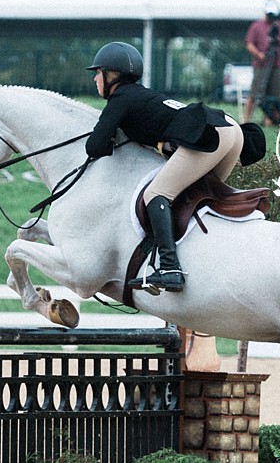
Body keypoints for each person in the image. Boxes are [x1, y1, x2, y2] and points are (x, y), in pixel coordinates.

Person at [84, 41, 244, 293]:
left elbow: (93, 146)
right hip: (231, 129)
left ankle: (170, 269)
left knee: (156, 194)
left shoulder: (120, 99)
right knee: (194, 199)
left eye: (97, 72)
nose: (95, 79)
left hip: (210, 134)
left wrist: (109, 139)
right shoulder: (142, 95)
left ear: (111, 75)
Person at [244, 1, 280, 125]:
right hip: (261, 65)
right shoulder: (257, 25)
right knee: (255, 92)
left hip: (277, 64)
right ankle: (247, 120)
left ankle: (270, 119)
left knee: (275, 94)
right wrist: (259, 54)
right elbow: (249, 43)